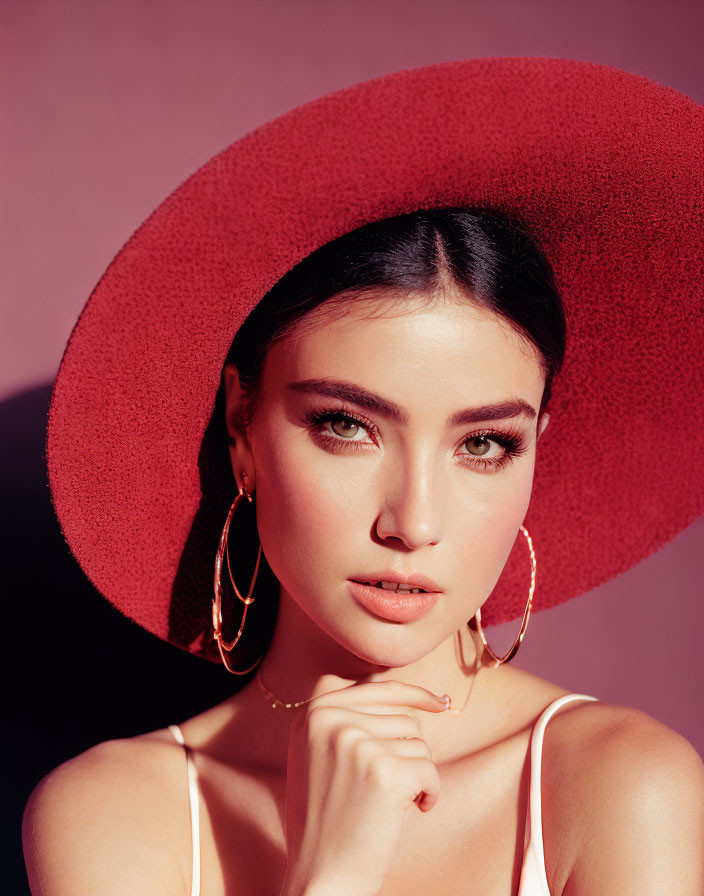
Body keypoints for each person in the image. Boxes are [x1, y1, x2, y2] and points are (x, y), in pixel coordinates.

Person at [22, 58, 704, 895]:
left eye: (485, 443)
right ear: (242, 423)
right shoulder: (115, 813)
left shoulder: (616, 785)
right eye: (345, 426)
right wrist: (331, 872)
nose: (413, 523)